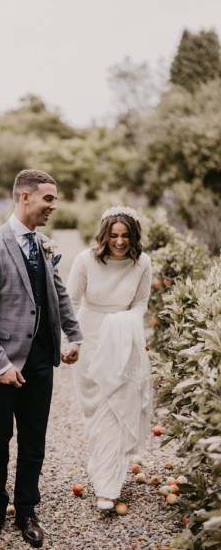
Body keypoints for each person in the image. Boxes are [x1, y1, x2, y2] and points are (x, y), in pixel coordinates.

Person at [0, 169, 82, 547]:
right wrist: (0, 364)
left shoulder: (44, 244)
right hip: (0, 363)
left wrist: (73, 335)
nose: (53, 205)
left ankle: (27, 508)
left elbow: (59, 295)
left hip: (40, 359)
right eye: (48, 198)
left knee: (34, 440)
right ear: (25, 197)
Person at [66, 206, 152, 510]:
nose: (119, 241)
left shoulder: (142, 263)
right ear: (104, 235)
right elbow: (71, 303)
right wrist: (71, 341)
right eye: (114, 235)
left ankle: (107, 486)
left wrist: (123, 323)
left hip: (123, 340)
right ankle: (102, 465)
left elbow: (141, 304)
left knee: (116, 410)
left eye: (125, 236)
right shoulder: (84, 261)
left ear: (133, 236)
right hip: (90, 339)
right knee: (95, 413)